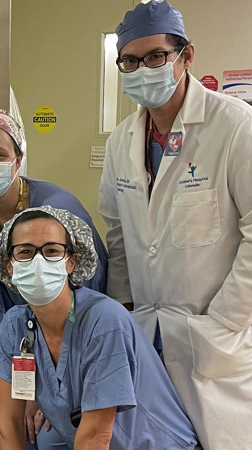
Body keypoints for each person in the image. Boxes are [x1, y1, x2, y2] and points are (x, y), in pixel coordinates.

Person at [98, 2, 252, 448]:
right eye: (129, 60)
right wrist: (123, 316)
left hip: (213, 339)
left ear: (186, 57)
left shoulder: (235, 127)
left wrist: (224, 321)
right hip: (146, 338)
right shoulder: (121, 142)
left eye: (155, 57)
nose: (141, 69)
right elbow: (120, 238)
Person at [0, 109, 108, 448]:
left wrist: (56, 382)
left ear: (18, 159)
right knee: (26, 428)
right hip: (25, 343)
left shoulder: (58, 208)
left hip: (79, 343)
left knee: (69, 429)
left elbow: (88, 295)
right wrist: (29, 386)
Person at [0, 205, 199, 450]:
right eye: (25, 252)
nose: (38, 261)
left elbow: (96, 436)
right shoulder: (15, 325)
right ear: (9, 265)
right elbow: (9, 422)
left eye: (51, 251)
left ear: (71, 262)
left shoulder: (104, 321)